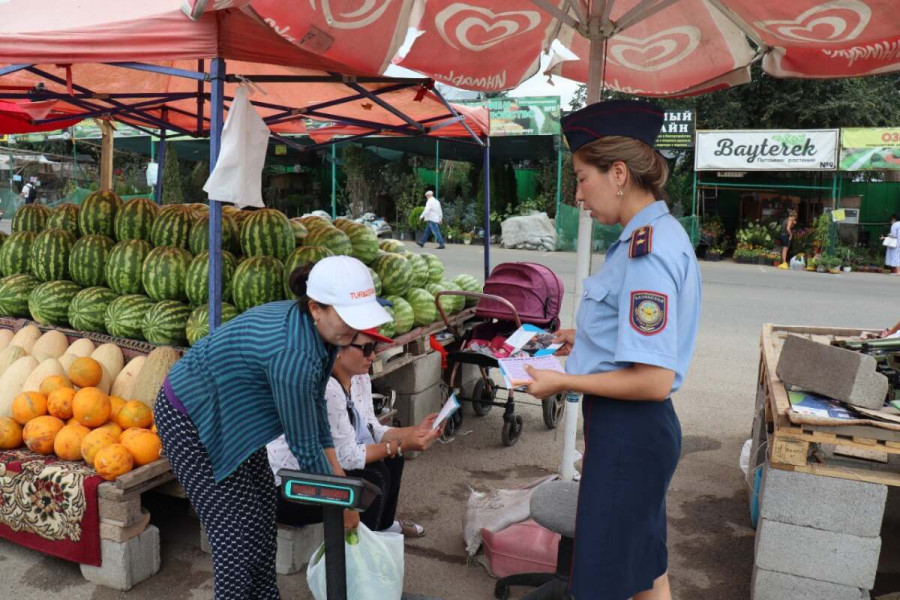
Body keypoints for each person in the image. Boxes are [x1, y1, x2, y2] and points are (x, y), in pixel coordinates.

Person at [523, 100, 701, 600]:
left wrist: (564, 380)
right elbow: (641, 340)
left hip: (630, 433)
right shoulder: (649, 237)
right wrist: (587, 340)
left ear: (618, 172)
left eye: (582, 178)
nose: (578, 195)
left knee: (601, 583)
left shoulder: (647, 252)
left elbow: (653, 379)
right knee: (644, 572)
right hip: (635, 433)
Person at [154, 255, 391, 600]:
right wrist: (341, 504)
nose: (355, 329)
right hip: (191, 419)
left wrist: (341, 488)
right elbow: (306, 446)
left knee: (263, 514)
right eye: (347, 318)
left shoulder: (323, 337)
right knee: (237, 539)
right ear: (316, 308)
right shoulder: (294, 354)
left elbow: (315, 414)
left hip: (235, 419)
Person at [268, 328, 443, 537]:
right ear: (337, 350)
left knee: (393, 459)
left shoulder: (360, 378)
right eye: (366, 348)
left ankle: (382, 527)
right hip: (287, 487)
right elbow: (348, 457)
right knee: (373, 479)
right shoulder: (326, 389)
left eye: (375, 347)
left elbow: (373, 430)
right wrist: (402, 443)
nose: (372, 356)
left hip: (324, 468)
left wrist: (416, 431)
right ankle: (362, 547)